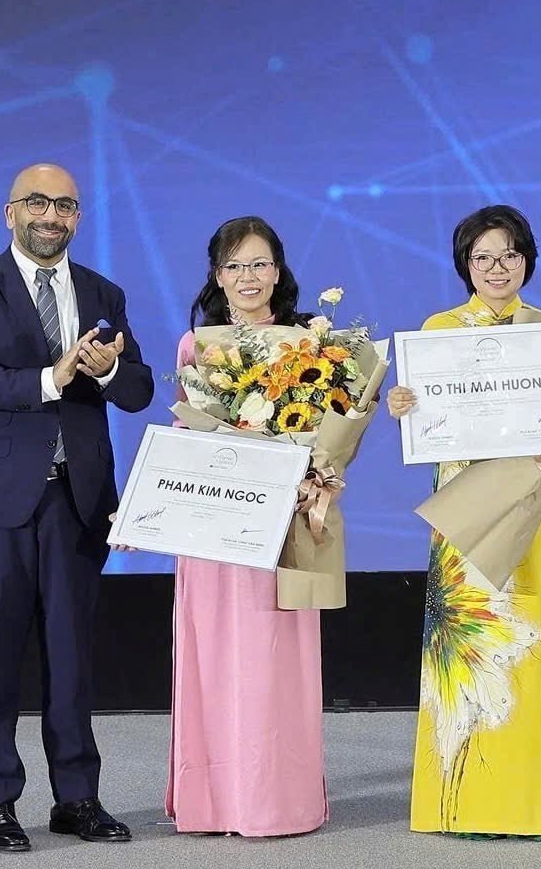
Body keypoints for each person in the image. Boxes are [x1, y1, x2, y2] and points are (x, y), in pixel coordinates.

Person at [0, 163, 155, 852]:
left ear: (78, 217)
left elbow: (139, 390)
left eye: (65, 205)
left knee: (71, 656)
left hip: (77, 501)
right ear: (11, 213)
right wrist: (50, 378)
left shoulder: (103, 292)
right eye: (37, 202)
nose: (51, 215)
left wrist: (107, 370)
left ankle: (77, 798)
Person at [386, 204, 541, 837]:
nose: (496, 268)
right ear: (465, 265)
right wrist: (405, 405)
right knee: (473, 652)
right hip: (468, 515)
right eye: (481, 257)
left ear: (527, 261)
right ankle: (466, 802)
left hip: (540, 516)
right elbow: (430, 429)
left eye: (509, 254)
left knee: (538, 648)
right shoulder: (438, 331)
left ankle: (540, 804)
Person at [162, 215, 328, 836]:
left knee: (277, 657)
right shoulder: (196, 346)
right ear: (217, 276)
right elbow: (184, 433)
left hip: (283, 526)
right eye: (234, 266)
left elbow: (329, 430)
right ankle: (213, 800)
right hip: (214, 527)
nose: (247, 277)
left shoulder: (310, 344)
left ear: (277, 271)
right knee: (212, 655)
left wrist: (319, 471)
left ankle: (278, 800)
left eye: (259, 264)